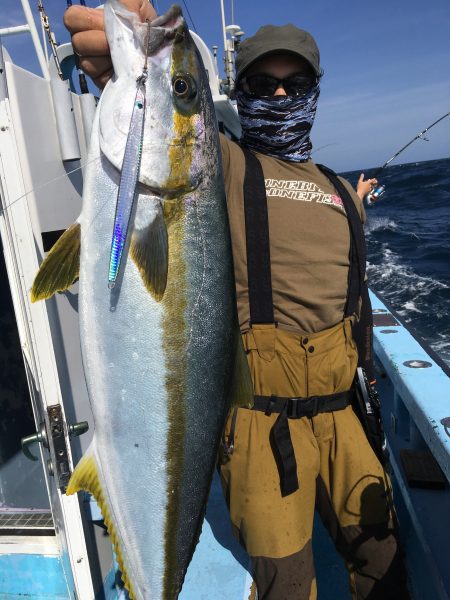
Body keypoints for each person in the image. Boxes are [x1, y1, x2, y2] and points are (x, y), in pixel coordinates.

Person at [65, 3, 409, 599]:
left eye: (294, 83)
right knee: (287, 582)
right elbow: (171, 131)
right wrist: (133, 61)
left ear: (314, 91)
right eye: (261, 83)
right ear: (239, 93)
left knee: (384, 558)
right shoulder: (223, 165)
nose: (279, 94)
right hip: (262, 423)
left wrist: (356, 199)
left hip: (345, 412)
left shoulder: (333, 186)